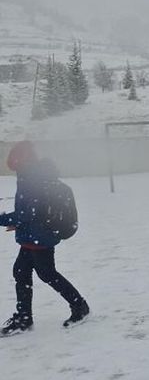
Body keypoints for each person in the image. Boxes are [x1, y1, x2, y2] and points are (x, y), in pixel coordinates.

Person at [0, 141, 89, 336]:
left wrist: (4, 219)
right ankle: (24, 318)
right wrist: (19, 222)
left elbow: (27, 213)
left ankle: (79, 306)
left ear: (20, 160)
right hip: (33, 235)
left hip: (40, 237)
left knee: (46, 273)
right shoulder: (29, 175)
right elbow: (30, 211)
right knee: (21, 271)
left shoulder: (32, 178)